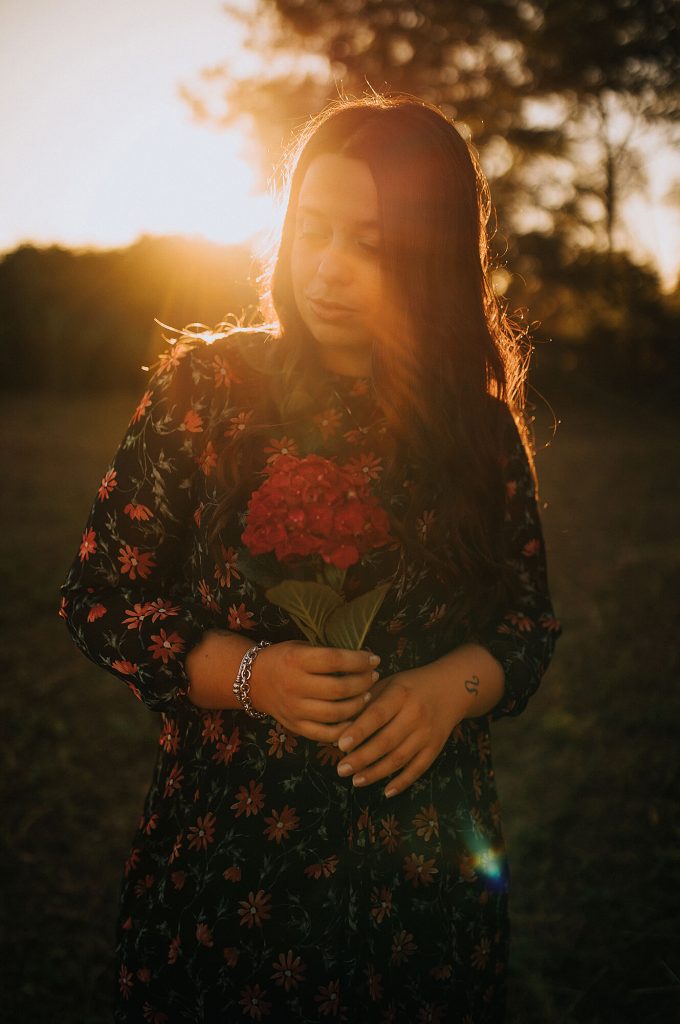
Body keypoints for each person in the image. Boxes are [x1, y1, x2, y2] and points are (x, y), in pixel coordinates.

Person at [61, 94, 561, 1023]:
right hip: (229, 871)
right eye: (313, 230)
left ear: (433, 257)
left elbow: (526, 623)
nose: (329, 271)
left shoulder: (478, 431)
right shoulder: (208, 392)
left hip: (425, 892)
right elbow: (100, 597)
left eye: (370, 245)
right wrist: (248, 674)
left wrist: (448, 688)